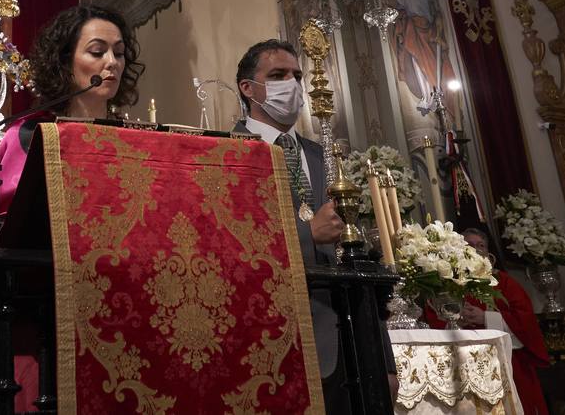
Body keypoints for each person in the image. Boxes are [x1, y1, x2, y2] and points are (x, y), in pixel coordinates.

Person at [233, 39, 396, 413]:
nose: (291, 84)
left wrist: (383, 357)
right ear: (248, 88)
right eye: (277, 76)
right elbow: (233, 249)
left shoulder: (323, 155)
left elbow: (356, 256)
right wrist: (308, 235)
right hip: (270, 342)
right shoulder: (228, 153)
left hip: (347, 345)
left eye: (296, 75)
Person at [0, 4, 142, 232]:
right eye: (97, 52)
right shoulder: (30, 134)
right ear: (65, 62)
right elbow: (5, 226)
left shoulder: (134, 139)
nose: (112, 62)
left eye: (118, 53)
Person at [425, 228, 549, 415]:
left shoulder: (505, 283)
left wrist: (485, 317)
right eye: (469, 245)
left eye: (480, 245)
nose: (476, 249)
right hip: (460, 363)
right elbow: (432, 321)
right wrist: (455, 319)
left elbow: (526, 321)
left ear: (488, 251)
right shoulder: (446, 284)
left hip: (506, 361)